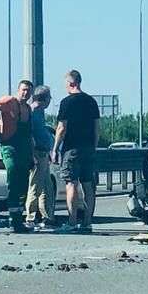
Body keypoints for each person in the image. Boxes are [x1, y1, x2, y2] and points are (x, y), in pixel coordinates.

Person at [51, 69, 101, 233]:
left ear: (70, 83)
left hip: (72, 148)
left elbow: (61, 128)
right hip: (88, 147)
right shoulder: (91, 102)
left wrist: (55, 148)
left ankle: (72, 222)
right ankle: (87, 222)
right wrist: (93, 146)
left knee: (71, 184)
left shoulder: (67, 102)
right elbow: (96, 128)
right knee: (88, 185)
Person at [0, 79, 34, 234]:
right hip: (9, 146)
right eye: (23, 90)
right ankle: (13, 219)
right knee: (12, 176)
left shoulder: (28, 109)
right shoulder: (8, 101)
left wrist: (31, 155)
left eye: (28, 91)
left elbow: (29, 134)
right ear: (18, 89)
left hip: (25, 149)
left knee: (23, 185)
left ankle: (18, 219)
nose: (25, 93)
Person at [25, 85, 56, 229]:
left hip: (44, 152)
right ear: (45, 99)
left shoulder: (40, 112)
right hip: (37, 152)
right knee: (35, 186)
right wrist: (32, 155)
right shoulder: (33, 112)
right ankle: (30, 217)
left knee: (47, 187)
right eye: (49, 98)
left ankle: (47, 217)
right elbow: (29, 135)